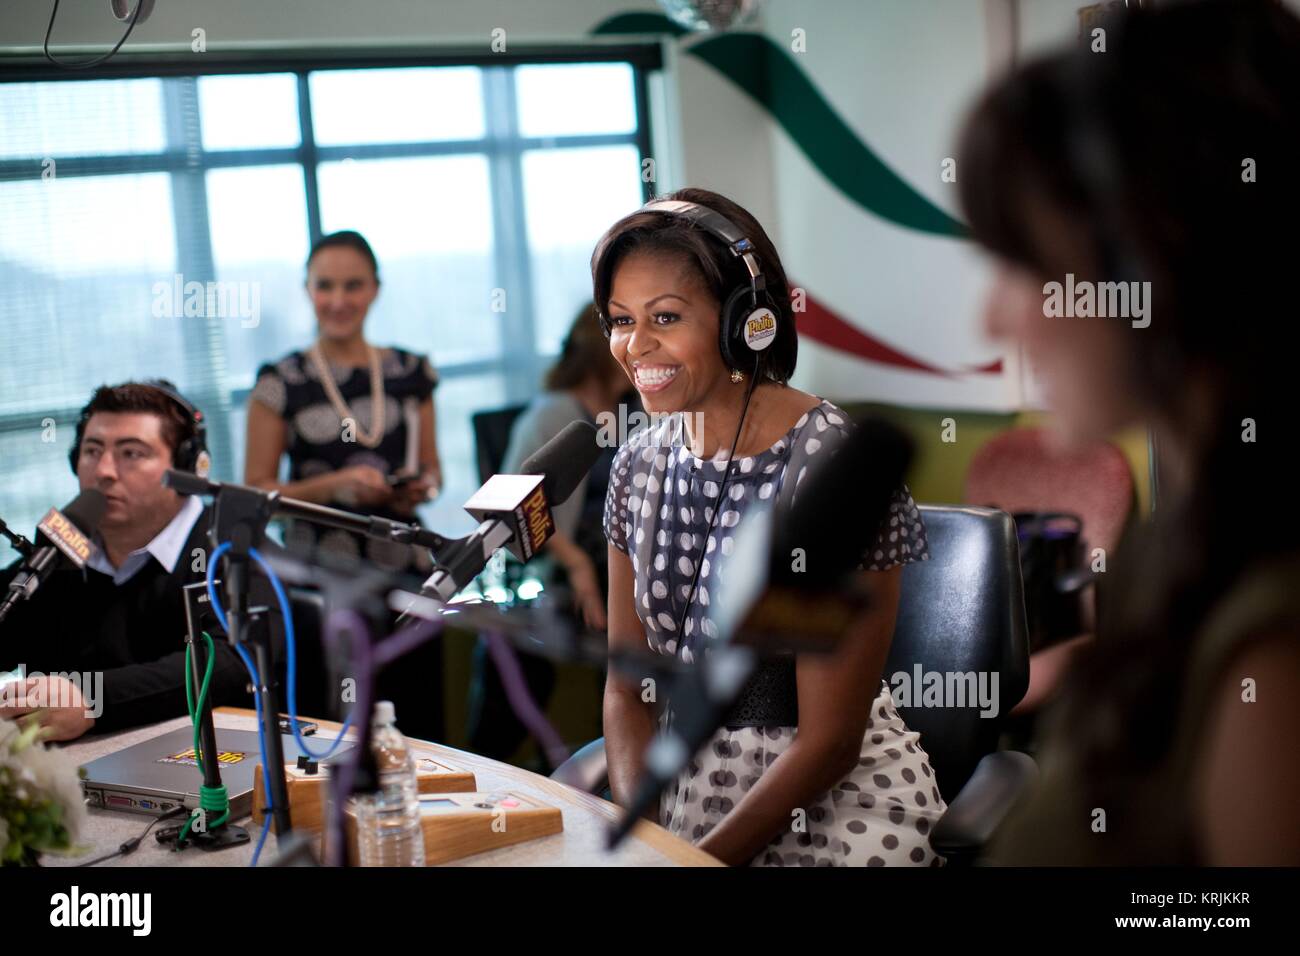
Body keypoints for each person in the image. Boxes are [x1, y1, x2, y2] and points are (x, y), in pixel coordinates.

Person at [956, 0, 1300, 864]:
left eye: (1023, 266)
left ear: (1154, 261)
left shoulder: (1273, 648)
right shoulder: (1182, 523)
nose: (994, 319)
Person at [594, 188, 944, 866]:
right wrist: (650, 846)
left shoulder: (830, 468)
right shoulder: (636, 465)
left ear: (744, 322)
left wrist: (706, 862)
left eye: (665, 317)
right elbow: (624, 689)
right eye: (619, 320)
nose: (636, 346)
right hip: (691, 794)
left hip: (837, 795)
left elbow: (832, 742)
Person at [0, 382, 273, 741]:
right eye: (92, 450)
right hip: (69, 774)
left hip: (210, 760)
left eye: (131, 453)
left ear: (187, 468)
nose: (105, 471)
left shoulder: (233, 545)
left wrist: (93, 697)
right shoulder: (59, 550)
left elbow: (233, 662)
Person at [466, 304, 633, 765]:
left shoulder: (634, 412)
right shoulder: (555, 412)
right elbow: (510, 506)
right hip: (557, 569)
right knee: (517, 641)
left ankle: (627, 761)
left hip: (619, 567)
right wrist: (575, 562)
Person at [245, 229, 442, 574]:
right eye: (325, 286)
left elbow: (434, 472)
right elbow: (256, 499)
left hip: (406, 568)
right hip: (319, 574)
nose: (338, 301)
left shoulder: (411, 372)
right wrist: (332, 488)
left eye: (353, 286)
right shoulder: (279, 382)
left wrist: (421, 488)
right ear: (307, 289)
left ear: (375, 290)